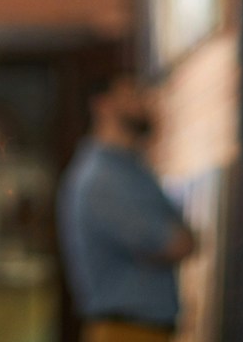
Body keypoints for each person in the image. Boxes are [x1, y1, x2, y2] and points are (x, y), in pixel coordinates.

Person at [57, 73, 195, 342]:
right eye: (131, 94)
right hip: (126, 332)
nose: (144, 102)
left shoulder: (131, 169)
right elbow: (174, 242)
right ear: (103, 104)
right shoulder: (103, 179)